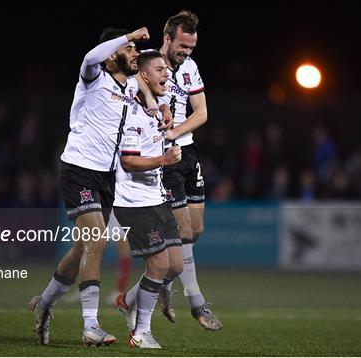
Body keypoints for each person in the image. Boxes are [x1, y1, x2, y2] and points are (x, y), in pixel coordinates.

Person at [28, 27, 171, 347]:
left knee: (82, 248)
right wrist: (129, 35)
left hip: (107, 178)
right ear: (112, 54)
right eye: (130, 49)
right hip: (79, 170)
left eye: (135, 49)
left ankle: (44, 303)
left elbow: (148, 95)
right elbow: (90, 56)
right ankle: (90, 325)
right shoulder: (93, 78)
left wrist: (159, 106)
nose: (135, 53)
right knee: (97, 239)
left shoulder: (129, 89)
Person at [112, 50, 184, 348]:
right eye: (159, 69)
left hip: (156, 198)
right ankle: (141, 333)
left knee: (176, 266)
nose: (166, 73)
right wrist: (164, 160)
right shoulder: (130, 112)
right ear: (143, 76)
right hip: (134, 202)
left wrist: (163, 107)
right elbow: (128, 161)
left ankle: (127, 300)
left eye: (167, 69)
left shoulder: (154, 108)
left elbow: (154, 97)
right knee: (157, 266)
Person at [157, 10, 222, 331]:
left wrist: (175, 131)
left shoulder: (190, 68)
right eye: (182, 46)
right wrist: (163, 136)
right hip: (161, 156)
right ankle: (197, 302)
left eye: (191, 48)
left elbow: (202, 112)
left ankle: (160, 288)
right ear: (167, 38)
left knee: (195, 231)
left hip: (188, 151)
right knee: (182, 232)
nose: (186, 53)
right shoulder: (148, 65)